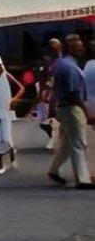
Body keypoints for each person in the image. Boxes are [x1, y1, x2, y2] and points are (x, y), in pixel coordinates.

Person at [46, 34, 91, 189]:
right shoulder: (70, 67)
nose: (80, 49)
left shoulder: (63, 63)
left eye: (80, 46)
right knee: (78, 142)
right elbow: (74, 94)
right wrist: (85, 111)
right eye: (76, 47)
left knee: (67, 142)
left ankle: (54, 170)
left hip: (63, 107)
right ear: (69, 49)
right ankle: (82, 179)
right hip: (72, 107)